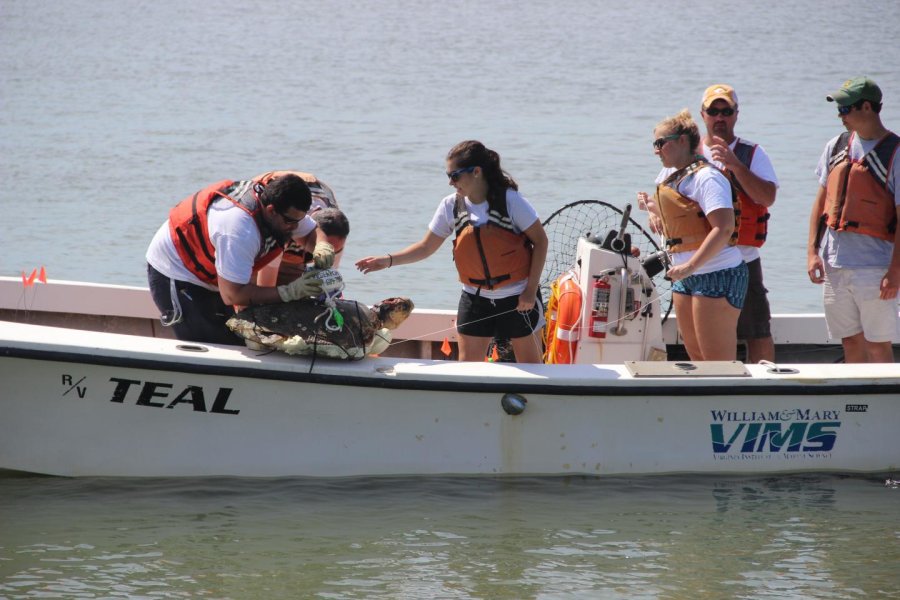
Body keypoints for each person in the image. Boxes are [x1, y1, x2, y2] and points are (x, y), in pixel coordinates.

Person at [355, 140, 548, 363]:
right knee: (469, 371)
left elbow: (541, 242)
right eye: (448, 175)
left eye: (455, 176)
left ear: (476, 172)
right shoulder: (450, 206)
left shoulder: (511, 201)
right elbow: (426, 247)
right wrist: (387, 261)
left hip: (518, 297)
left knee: (533, 370)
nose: (450, 182)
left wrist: (530, 292)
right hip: (475, 300)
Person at [146, 173, 334, 345]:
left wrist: (322, 246)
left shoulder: (283, 211)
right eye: (290, 222)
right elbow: (232, 295)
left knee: (239, 338)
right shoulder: (240, 231)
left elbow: (311, 232)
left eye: (298, 221)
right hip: (176, 272)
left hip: (216, 275)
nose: (294, 228)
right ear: (271, 210)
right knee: (214, 347)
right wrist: (290, 292)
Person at [637, 110, 748, 361]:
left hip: (716, 273)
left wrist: (690, 265)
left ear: (683, 141)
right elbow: (683, 228)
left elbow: (724, 228)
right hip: (685, 276)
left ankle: (725, 400)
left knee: (717, 364)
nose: (656, 150)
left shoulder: (706, 177)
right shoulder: (674, 180)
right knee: (697, 357)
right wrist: (654, 212)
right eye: (654, 144)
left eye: (660, 143)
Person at [807, 76, 899, 363]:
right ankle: (854, 404)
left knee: (877, 345)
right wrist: (811, 252)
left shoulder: (895, 153)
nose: (840, 115)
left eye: (845, 108)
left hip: (875, 268)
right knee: (849, 341)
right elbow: (821, 203)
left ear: (868, 107)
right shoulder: (835, 146)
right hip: (834, 264)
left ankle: (884, 405)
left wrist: (895, 272)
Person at [700, 84, 779, 363]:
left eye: (726, 111)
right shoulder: (690, 152)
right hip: (702, 261)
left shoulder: (752, 153)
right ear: (703, 114)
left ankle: (764, 391)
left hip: (743, 260)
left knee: (757, 332)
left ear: (736, 114)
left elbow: (767, 197)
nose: (720, 117)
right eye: (713, 111)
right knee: (703, 335)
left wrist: (735, 165)